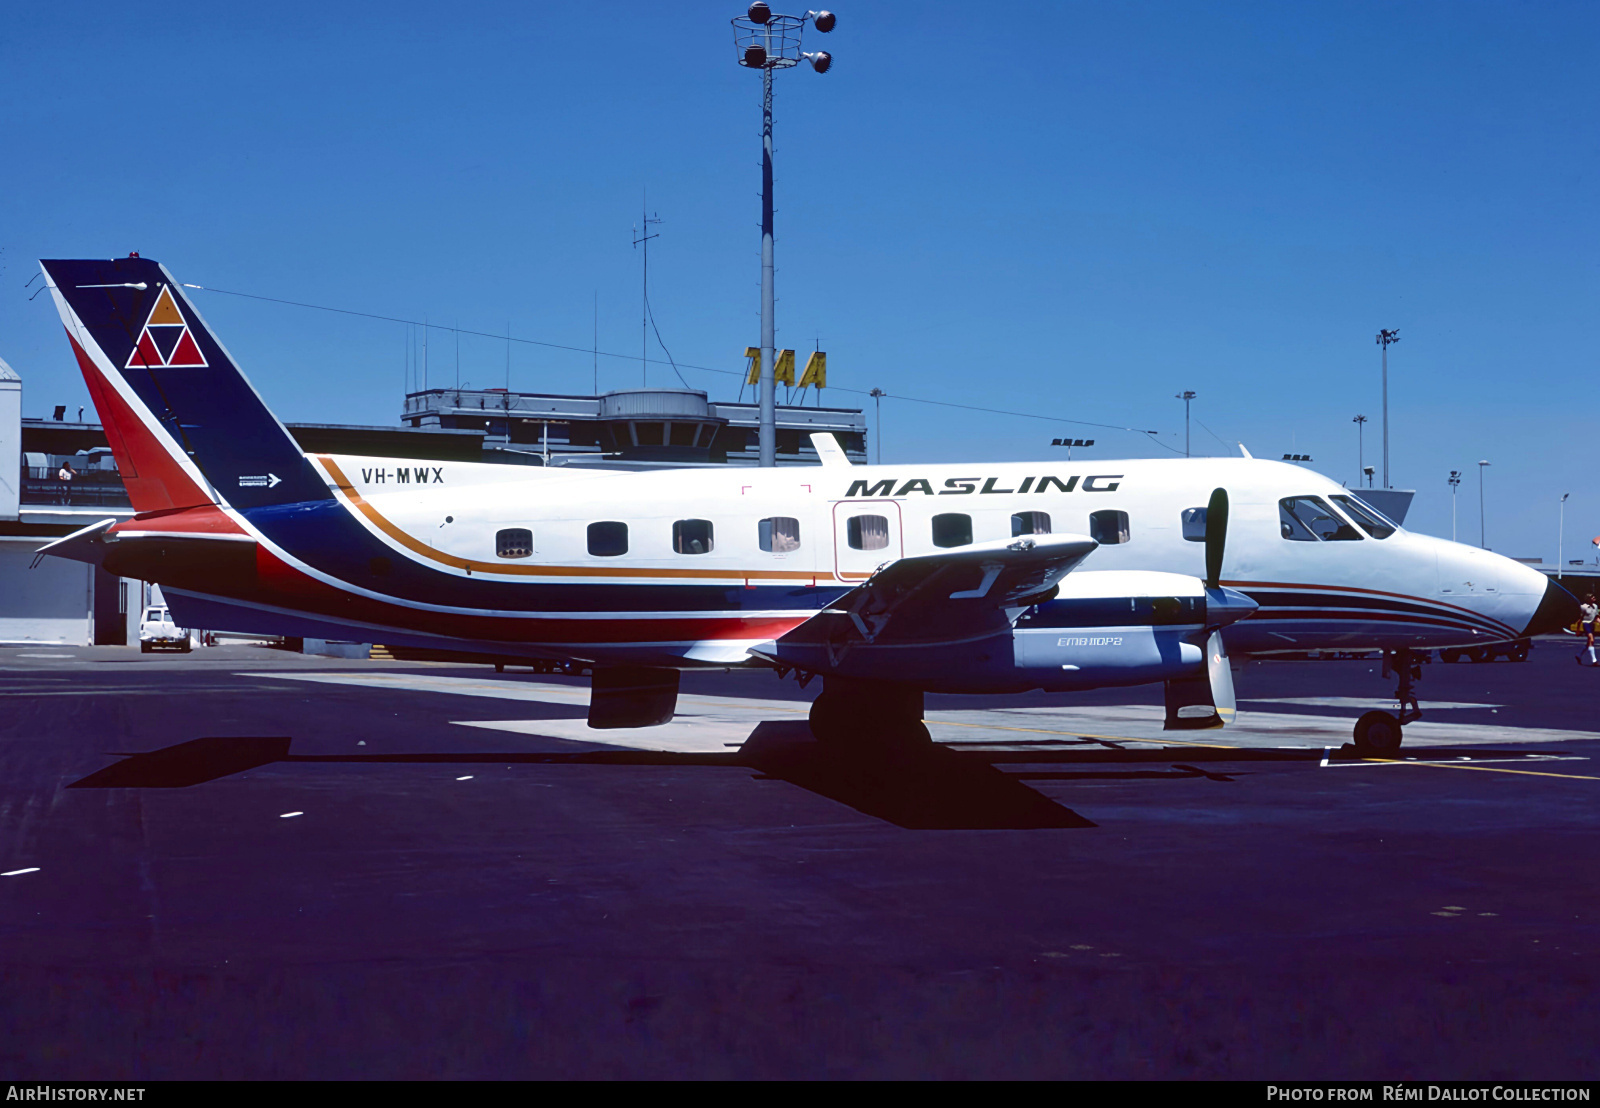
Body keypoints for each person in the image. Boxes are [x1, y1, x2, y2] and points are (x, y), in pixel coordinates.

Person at [1578, 594, 1599, 667]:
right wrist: (1578, 630)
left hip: (1591, 624)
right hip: (1586, 624)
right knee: (1591, 639)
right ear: (1588, 599)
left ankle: (1579, 655)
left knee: (1589, 643)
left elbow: (1596, 617)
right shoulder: (1583, 607)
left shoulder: (1595, 606)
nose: (1594, 598)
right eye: (1592, 597)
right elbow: (1580, 619)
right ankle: (1594, 660)